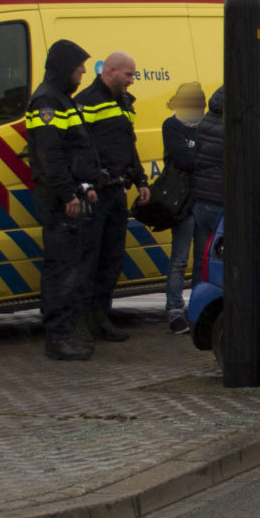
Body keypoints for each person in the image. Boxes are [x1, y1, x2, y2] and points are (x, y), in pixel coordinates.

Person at [26, 39, 109, 361]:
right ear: (64, 68)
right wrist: (67, 194)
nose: (84, 73)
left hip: (69, 194)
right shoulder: (47, 101)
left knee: (72, 271)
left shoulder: (61, 98)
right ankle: (58, 339)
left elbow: (75, 151)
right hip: (57, 199)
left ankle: (70, 334)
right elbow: (51, 156)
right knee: (61, 273)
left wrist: (85, 185)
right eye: (78, 69)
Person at [74, 52, 151, 343]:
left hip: (117, 190)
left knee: (112, 258)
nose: (131, 81)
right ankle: (84, 322)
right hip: (96, 193)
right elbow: (81, 147)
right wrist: (86, 182)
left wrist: (140, 179)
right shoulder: (88, 100)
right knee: (89, 260)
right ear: (110, 70)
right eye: (128, 75)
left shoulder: (124, 103)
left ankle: (101, 317)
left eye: (133, 76)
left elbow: (128, 145)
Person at [191, 72, 260, 269]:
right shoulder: (245, 120)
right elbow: (255, 159)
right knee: (231, 266)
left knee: (203, 262)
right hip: (226, 201)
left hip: (203, 201)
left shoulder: (209, 115)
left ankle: (201, 298)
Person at [161, 81, 205, 334]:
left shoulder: (205, 126)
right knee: (179, 258)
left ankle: (197, 308)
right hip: (182, 200)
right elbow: (184, 159)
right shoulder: (172, 125)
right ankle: (175, 309)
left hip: (203, 198)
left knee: (201, 259)